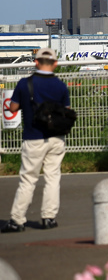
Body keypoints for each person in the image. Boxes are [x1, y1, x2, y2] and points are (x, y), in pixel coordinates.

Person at [1, 48, 70, 233]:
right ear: (55, 64)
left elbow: (13, 107)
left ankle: (17, 220)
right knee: (53, 177)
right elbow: (66, 110)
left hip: (33, 137)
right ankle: (49, 217)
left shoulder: (25, 84)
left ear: (36, 62)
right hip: (56, 137)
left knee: (28, 179)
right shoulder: (61, 86)